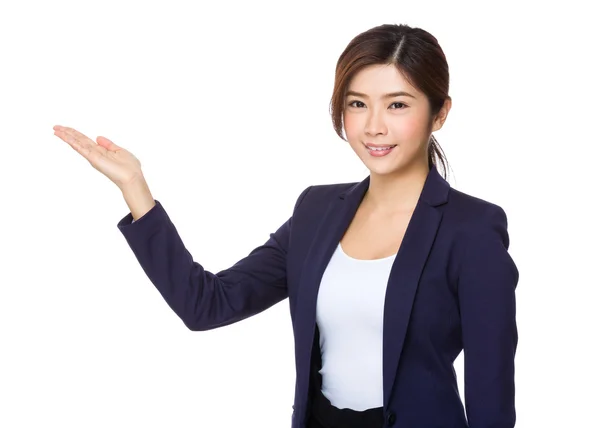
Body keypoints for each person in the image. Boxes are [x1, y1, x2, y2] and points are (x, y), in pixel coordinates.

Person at [53, 23, 519, 428]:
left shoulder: (472, 229)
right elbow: (206, 305)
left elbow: (490, 399)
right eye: (357, 104)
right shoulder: (316, 211)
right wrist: (135, 187)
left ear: (439, 112)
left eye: (397, 105)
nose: (373, 126)